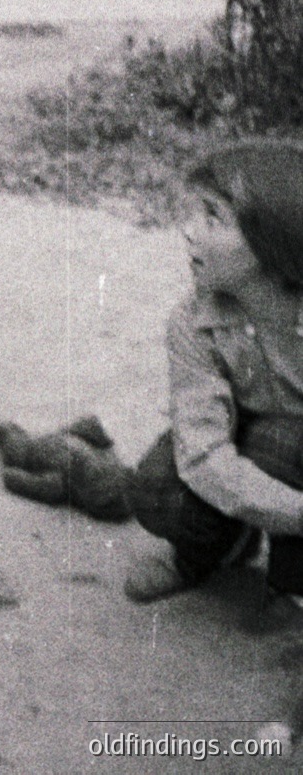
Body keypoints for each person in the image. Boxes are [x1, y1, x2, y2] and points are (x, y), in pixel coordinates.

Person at [125, 140, 303, 604]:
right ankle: (202, 555)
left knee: (286, 444)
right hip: (245, 439)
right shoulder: (192, 322)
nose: (188, 231)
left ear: (273, 239)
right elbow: (203, 454)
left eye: (212, 218)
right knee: (158, 488)